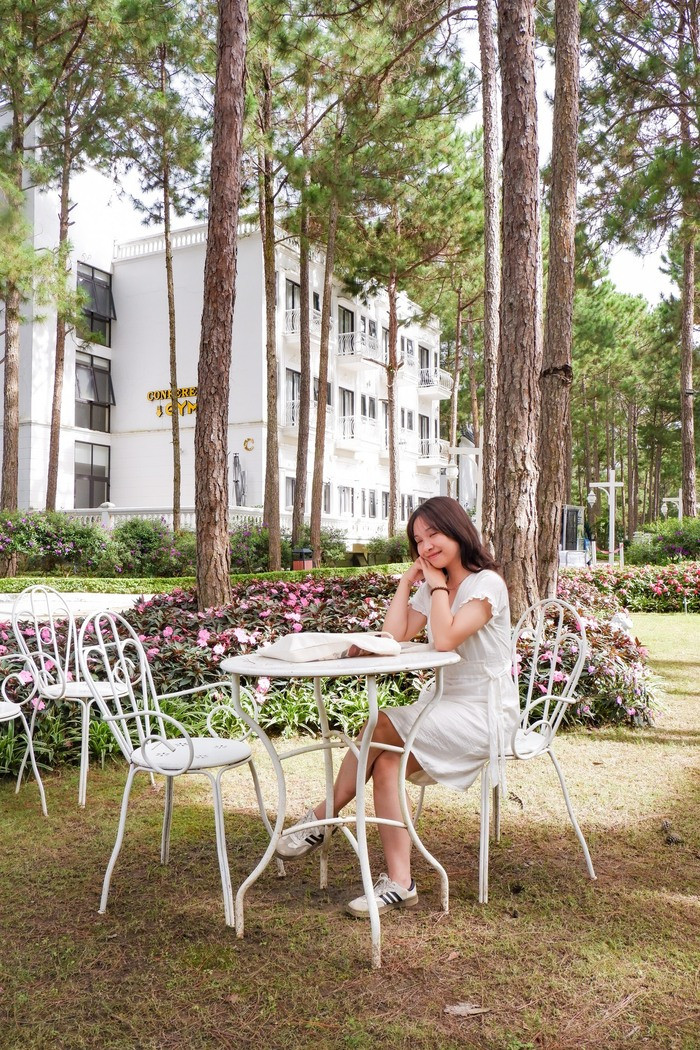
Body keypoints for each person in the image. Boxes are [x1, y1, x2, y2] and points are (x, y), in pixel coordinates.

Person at [275, 496, 519, 918]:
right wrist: (408, 583)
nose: (426, 546)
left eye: (434, 534)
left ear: (458, 531)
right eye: (418, 540)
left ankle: (323, 817)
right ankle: (400, 882)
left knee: (383, 723)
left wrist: (437, 586)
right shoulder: (435, 584)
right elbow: (395, 635)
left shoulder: (486, 585)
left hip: (486, 713)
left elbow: (445, 639)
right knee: (386, 761)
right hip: (443, 706)